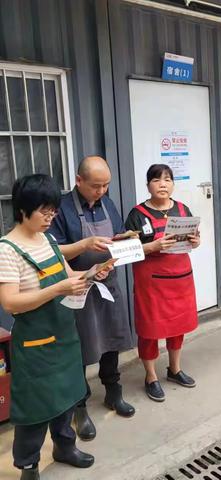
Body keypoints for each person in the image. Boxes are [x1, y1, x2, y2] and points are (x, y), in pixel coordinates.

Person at [0, 175, 110, 479]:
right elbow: (10, 302)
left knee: (67, 396)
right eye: (44, 211)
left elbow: (67, 272)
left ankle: (65, 446)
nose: (51, 218)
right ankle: (28, 465)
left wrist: (89, 275)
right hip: (35, 343)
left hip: (63, 334)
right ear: (23, 209)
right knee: (35, 409)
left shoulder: (47, 239)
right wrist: (58, 290)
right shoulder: (7, 249)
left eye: (53, 211)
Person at [48, 156, 134, 442]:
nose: (101, 191)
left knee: (112, 341)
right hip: (78, 287)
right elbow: (53, 251)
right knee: (81, 348)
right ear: (79, 181)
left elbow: (116, 238)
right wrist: (84, 248)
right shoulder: (60, 209)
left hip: (108, 281)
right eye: (96, 186)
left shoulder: (107, 203)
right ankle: (79, 407)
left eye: (106, 185)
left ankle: (113, 392)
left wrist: (125, 242)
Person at [125, 164, 200, 402]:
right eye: (157, 180)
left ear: (173, 184)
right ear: (148, 185)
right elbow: (125, 249)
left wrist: (196, 241)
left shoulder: (182, 208)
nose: (163, 184)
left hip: (180, 279)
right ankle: (151, 376)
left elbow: (194, 239)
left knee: (177, 327)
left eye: (167, 180)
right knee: (150, 329)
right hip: (152, 283)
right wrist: (150, 247)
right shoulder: (136, 214)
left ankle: (174, 369)